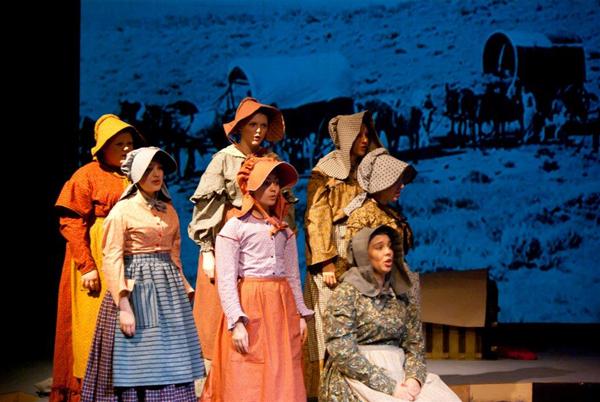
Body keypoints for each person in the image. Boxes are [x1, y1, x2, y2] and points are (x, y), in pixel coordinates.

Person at [81, 147, 205, 401]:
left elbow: (175, 254)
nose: (157, 174)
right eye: (149, 169)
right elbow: (112, 258)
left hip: (168, 294)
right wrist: (124, 305)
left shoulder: (168, 210)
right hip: (136, 291)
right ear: (136, 174)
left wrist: (183, 290)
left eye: (159, 168)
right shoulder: (122, 211)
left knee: (172, 358)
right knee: (138, 359)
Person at [188, 97, 295, 363]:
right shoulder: (224, 159)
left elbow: (283, 204)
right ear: (241, 127)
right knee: (221, 307)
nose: (258, 131)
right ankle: (220, 371)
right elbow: (207, 204)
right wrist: (207, 250)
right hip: (229, 237)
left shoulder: (270, 160)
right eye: (252, 125)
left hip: (262, 243)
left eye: (263, 125)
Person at [200, 156, 313, 402]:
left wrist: (300, 315)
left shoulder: (284, 229)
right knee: (248, 372)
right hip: (251, 305)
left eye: (276, 183)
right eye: (266, 182)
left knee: (283, 372)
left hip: (281, 308)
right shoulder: (235, 228)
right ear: (251, 186)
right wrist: (236, 322)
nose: (273, 188)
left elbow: (293, 276)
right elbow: (227, 280)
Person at [51, 114, 144, 402]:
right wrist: (87, 266)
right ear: (103, 147)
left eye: (129, 143)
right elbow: (71, 222)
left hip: (129, 256)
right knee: (92, 328)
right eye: (119, 144)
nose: (126, 149)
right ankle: (93, 390)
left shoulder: (136, 176)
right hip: (97, 257)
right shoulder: (86, 176)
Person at [321, 225, 461, 401]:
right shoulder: (347, 293)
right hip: (359, 376)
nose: (388, 252)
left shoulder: (400, 293)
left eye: (389, 246)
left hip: (399, 373)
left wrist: (413, 379)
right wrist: (388, 386)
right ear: (363, 254)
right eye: (379, 247)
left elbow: (415, 344)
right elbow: (342, 351)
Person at [303, 110, 382, 393]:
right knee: (330, 324)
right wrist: (325, 262)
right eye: (358, 134)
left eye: (367, 134)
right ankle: (326, 390)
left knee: (361, 322)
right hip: (334, 251)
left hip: (363, 250)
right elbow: (317, 217)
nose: (364, 139)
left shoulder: (368, 168)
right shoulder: (326, 170)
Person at [341, 147, 418, 285]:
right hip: (373, 287)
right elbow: (354, 261)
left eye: (401, 181)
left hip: (396, 282)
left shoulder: (391, 212)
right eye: (396, 181)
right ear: (381, 183)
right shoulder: (362, 215)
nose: (402, 186)